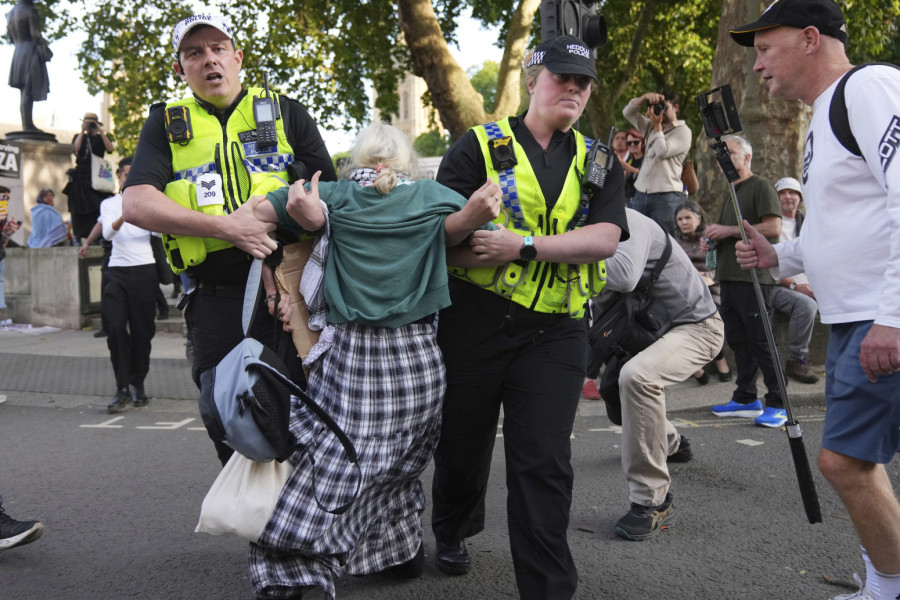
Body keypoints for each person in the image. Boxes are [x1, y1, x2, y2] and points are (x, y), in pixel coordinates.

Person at [246, 121, 499, 600]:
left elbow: (252, 218)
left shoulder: (333, 196)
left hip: (351, 354)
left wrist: (300, 228)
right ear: (405, 162)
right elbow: (482, 249)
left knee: (333, 459)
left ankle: (292, 567)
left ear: (357, 161)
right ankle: (394, 550)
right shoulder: (435, 197)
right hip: (418, 360)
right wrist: (448, 232)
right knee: (399, 462)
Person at [430, 35, 628, 600]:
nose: (573, 88)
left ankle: (548, 589)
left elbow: (607, 237)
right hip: (474, 322)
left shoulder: (598, 159)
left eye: (583, 82)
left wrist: (525, 245)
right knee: (463, 443)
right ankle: (453, 528)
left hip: (557, 331)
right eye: (563, 76)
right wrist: (470, 224)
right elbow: (439, 239)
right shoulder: (476, 147)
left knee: (543, 460)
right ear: (533, 80)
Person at [730, 1, 900, 598]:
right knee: (850, 461)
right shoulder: (822, 119)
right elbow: (840, 226)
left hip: (881, 316)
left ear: (809, 38)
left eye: (765, 50)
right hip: (858, 316)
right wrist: (782, 257)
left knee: (845, 462)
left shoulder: (869, 87)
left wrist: (895, 318)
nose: (756, 69)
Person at [122, 13, 336, 466]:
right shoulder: (165, 124)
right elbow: (137, 203)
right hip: (216, 303)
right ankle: (257, 525)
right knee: (230, 421)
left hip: (291, 294)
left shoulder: (284, 112)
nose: (209, 60)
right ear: (180, 69)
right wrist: (226, 228)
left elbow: (329, 194)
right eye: (194, 53)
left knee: (306, 418)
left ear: (238, 57)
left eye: (218, 49)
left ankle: (300, 529)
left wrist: (278, 235)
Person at [598, 208, 723, 540]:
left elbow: (623, 275)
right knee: (616, 396)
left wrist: (554, 253)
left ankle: (651, 499)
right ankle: (672, 442)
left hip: (698, 327)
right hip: (650, 330)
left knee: (637, 378)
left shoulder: (627, 220)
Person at [702, 135, 786, 427]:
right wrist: (711, 240)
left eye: (730, 152)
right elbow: (732, 232)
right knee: (739, 341)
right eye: (719, 154)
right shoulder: (731, 190)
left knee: (762, 341)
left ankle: (779, 402)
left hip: (754, 278)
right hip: (730, 277)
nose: (722, 158)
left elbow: (774, 227)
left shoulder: (760, 186)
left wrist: (725, 230)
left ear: (747, 157)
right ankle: (746, 397)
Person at [99, 157, 159, 413]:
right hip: (117, 272)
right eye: (126, 174)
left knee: (142, 332)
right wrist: (127, 214)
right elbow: (107, 235)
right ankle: (121, 387)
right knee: (114, 327)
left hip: (145, 271)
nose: (129, 178)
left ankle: (138, 384)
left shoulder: (149, 202)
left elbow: (158, 232)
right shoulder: (109, 204)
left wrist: (148, 210)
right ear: (120, 177)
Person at [673, 200, 731, 383]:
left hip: (711, 290)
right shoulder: (673, 243)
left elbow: (716, 267)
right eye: (680, 219)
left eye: (688, 217)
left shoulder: (710, 239)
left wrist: (702, 275)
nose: (683, 222)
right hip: (683, 293)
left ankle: (719, 359)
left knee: (710, 318)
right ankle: (696, 368)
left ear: (699, 218)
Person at [769, 176, 821, 384]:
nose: (788, 197)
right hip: (776, 285)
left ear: (800, 198)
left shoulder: (809, 224)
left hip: (809, 284)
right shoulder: (771, 225)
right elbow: (767, 268)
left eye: (792, 193)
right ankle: (797, 360)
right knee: (807, 305)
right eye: (783, 193)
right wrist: (795, 285)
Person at [623, 89, 692, 235]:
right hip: (641, 193)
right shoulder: (650, 126)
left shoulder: (683, 131)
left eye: (665, 107)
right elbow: (628, 113)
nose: (661, 111)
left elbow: (662, 151)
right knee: (635, 237)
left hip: (667, 196)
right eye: (657, 107)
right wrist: (644, 97)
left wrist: (657, 126)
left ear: (676, 108)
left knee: (665, 242)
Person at [65, 112, 115, 241]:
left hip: (97, 176)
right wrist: (83, 131)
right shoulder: (78, 136)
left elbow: (110, 149)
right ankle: (80, 235)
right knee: (79, 204)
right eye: (88, 123)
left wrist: (100, 131)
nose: (90, 126)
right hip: (81, 175)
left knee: (97, 205)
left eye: (92, 123)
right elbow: (75, 150)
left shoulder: (101, 138)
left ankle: (97, 235)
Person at [6, 0, 52, 132]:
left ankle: (26, 123)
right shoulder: (31, 11)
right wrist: (45, 49)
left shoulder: (10, 13)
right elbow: (35, 35)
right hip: (30, 52)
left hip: (18, 52)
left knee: (23, 91)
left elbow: (10, 38)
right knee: (28, 90)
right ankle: (28, 125)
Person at [621, 129, 644, 204]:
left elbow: (641, 174)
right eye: (629, 143)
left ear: (643, 143)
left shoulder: (647, 159)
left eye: (636, 142)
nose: (632, 145)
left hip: (640, 200)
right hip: (627, 199)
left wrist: (623, 164)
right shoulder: (629, 160)